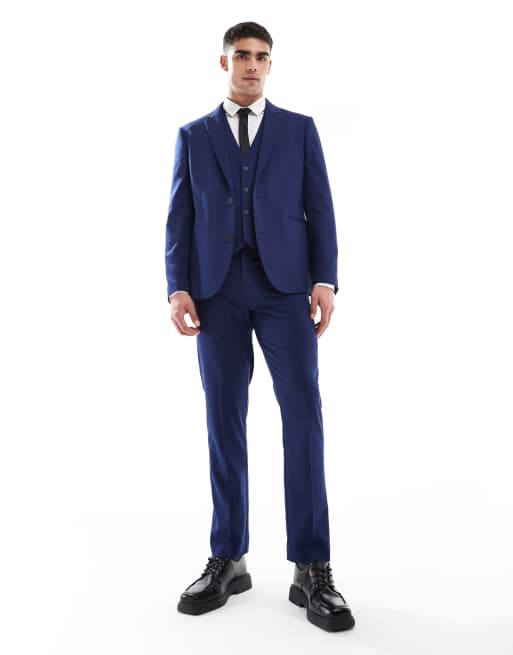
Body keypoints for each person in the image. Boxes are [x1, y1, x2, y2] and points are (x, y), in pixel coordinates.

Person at [165, 21, 356, 632]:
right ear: (224, 61)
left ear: (271, 64)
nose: (252, 65)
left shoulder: (299, 130)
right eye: (243, 55)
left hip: (284, 290)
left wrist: (325, 279)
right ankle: (229, 557)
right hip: (216, 292)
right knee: (224, 420)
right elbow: (179, 216)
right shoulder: (193, 135)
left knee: (303, 415)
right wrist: (177, 286)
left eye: (262, 57)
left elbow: (320, 207)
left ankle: (311, 566)